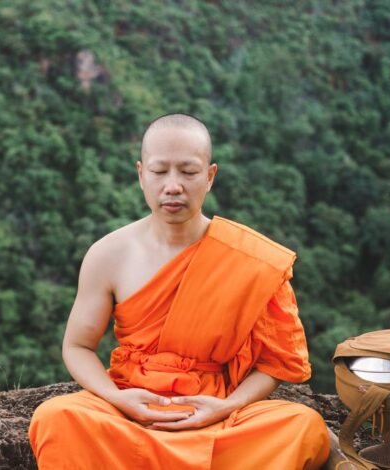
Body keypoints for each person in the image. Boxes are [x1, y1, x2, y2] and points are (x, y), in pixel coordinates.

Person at [28, 114, 330, 469]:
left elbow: (274, 363)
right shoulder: (108, 254)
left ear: (210, 176)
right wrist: (117, 399)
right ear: (141, 174)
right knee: (56, 417)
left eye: (188, 172)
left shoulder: (251, 259)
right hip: (128, 408)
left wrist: (227, 407)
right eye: (159, 171)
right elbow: (78, 346)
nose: (173, 186)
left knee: (304, 426)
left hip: (214, 413)